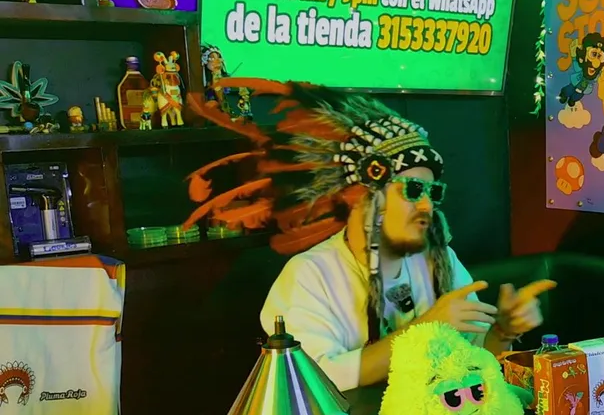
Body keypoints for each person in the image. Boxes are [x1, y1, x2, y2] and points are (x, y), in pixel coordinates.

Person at [181, 79, 554, 392]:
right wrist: (425, 330)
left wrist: (503, 332)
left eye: (433, 192)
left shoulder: (440, 260)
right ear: (363, 197)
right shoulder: (310, 275)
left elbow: (473, 360)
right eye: (412, 190)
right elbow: (316, 380)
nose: (428, 206)